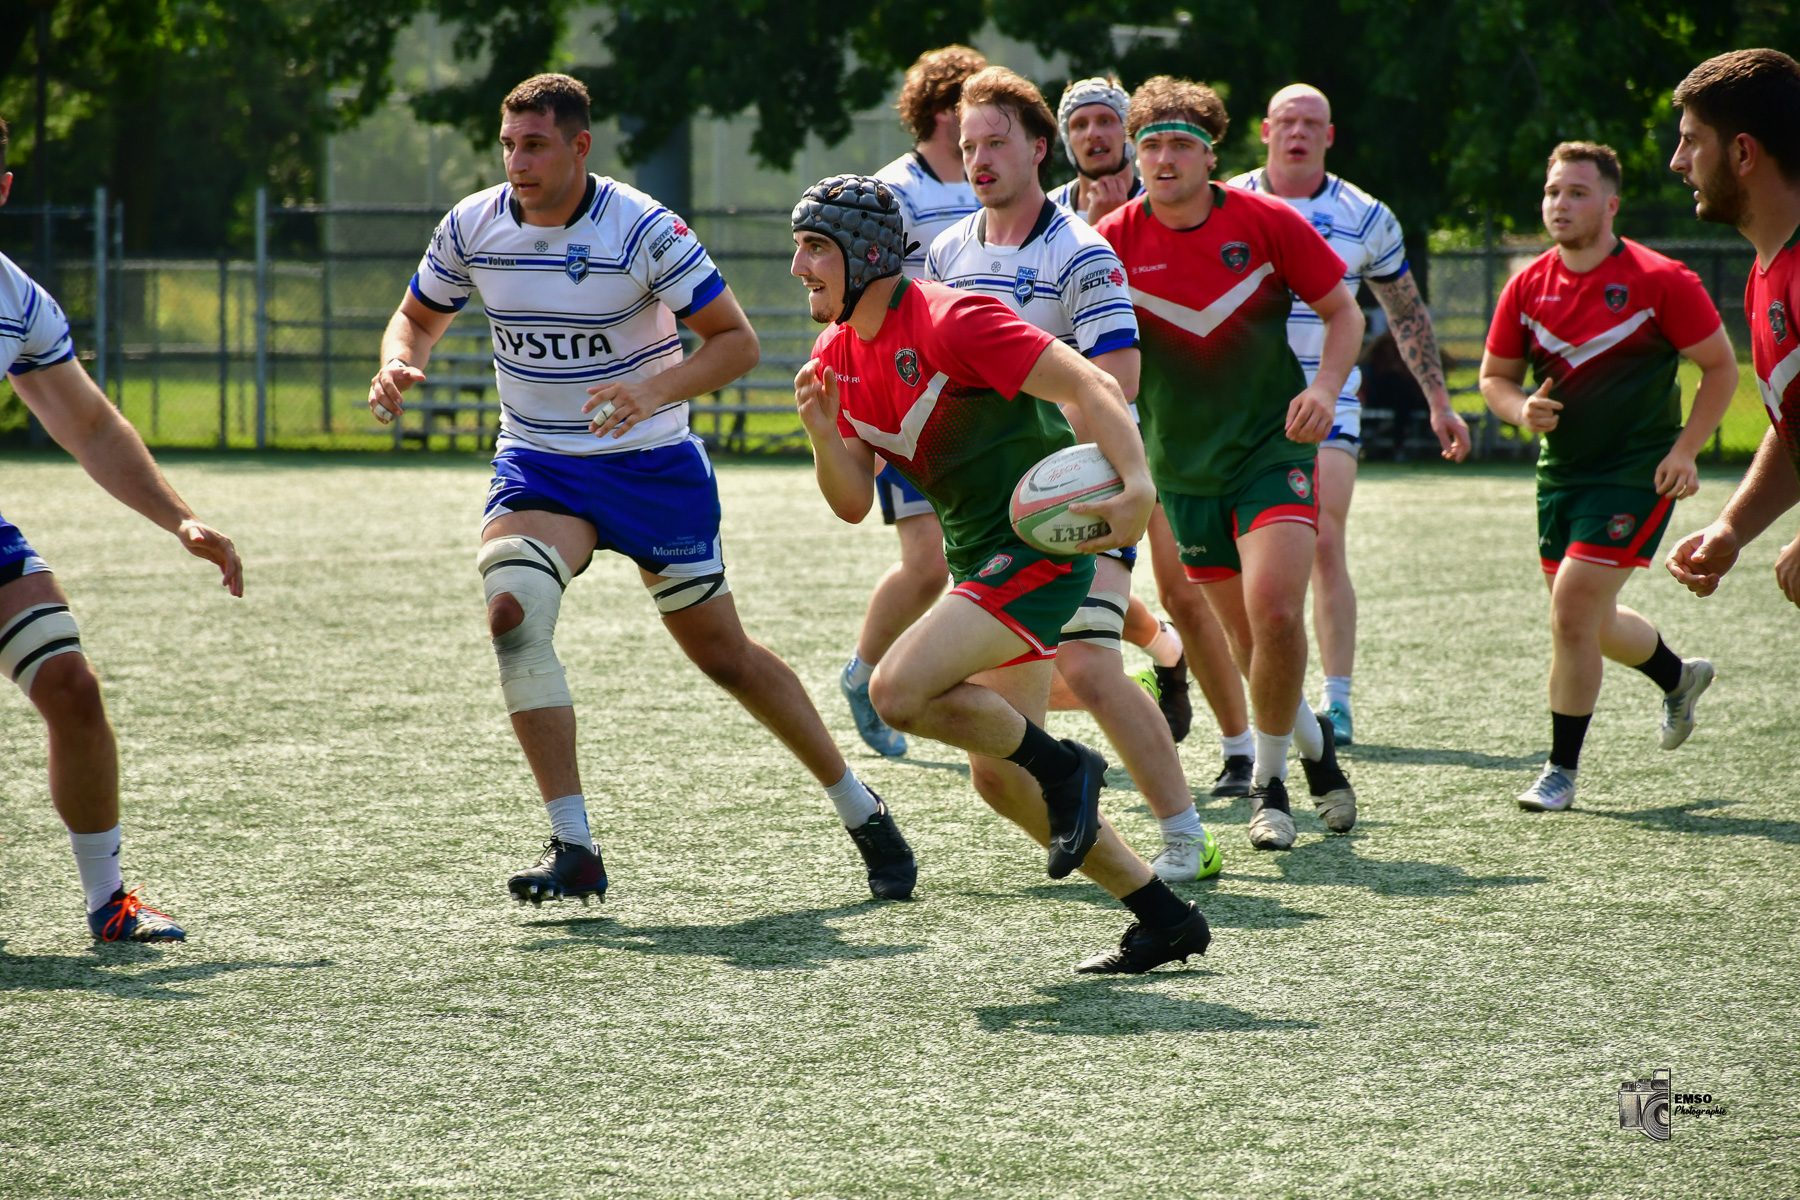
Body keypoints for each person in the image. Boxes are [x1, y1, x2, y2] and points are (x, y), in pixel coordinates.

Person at [369, 75, 916, 906]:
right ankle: (575, 845)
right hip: (540, 464)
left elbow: (736, 343)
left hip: (652, 468)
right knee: (511, 612)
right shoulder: (472, 226)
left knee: (725, 658)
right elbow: (416, 314)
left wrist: (653, 393)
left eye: (536, 145)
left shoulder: (642, 227)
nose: (517, 161)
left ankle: (860, 807)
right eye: (509, 145)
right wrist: (397, 357)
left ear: (580, 146)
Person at [792, 174, 1211, 973]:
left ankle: (1071, 768)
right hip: (979, 561)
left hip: (1038, 550)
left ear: (865, 254)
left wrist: (1137, 486)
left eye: (814, 246)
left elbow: (1089, 381)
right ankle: (1163, 917)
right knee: (999, 782)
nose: (797, 266)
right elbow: (850, 502)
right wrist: (819, 431)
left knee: (895, 691)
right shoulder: (835, 354)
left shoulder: (954, 317)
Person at [925, 66, 1220, 882]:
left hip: (1076, 490)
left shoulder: (1079, 253)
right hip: (987, 511)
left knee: (1088, 663)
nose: (979, 160)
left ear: (1037, 149)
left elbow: (1116, 380)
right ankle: (1094, 837)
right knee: (997, 733)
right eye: (968, 146)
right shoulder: (948, 251)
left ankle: (1186, 833)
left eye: (995, 143)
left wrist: (1097, 483)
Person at [1095, 77, 1361, 852]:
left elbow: (1345, 313)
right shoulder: (1110, 242)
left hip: (1273, 448)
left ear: (1213, 156)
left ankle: (1268, 786)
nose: (1164, 158)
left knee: (1278, 613)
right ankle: (1321, 761)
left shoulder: (1268, 222)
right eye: (1150, 145)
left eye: (1181, 144)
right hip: (1180, 470)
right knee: (1253, 648)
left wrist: (1323, 388)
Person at [0, 117, 244, 941]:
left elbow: (93, 430)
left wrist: (182, 520)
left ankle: (110, 902)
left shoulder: (16, 299)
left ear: (1, 189)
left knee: (72, 687)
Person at [1480, 142, 1736, 812]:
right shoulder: (1526, 286)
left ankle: (1559, 771)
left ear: (1611, 204)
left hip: (1635, 474)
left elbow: (1719, 367)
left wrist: (1685, 451)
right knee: (1588, 624)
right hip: (1560, 476)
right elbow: (1495, 379)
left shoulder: (1662, 280)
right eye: (1553, 192)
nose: (1560, 205)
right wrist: (1518, 410)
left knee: (1571, 613)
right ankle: (1678, 678)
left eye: (1577, 193)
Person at [1227, 84, 1472, 746]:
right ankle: (1275, 698)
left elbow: (1407, 312)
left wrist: (1439, 402)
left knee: (1324, 537)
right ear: (1265, 129)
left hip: (1326, 399)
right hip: (1237, 407)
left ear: (1329, 136)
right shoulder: (1225, 200)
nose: (1298, 132)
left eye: (1311, 123)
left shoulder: (1365, 216)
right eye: (1286, 121)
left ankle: (1337, 702)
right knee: (1231, 565)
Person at [1052, 76, 1256, 794]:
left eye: (1107, 121)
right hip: (1072, 450)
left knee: (1190, 592)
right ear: (1065, 139)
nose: (1095, 136)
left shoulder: (1170, 207)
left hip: (1163, 434)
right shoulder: (1051, 221)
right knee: (1064, 615)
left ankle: (1242, 747)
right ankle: (1163, 667)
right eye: (1081, 126)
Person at [838, 46, 989, 758]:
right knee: (929, 563)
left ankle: (999, 716)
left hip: (988, 402)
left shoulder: (1005, 184)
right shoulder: (892, 191)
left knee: (995, 560)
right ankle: (865, 676)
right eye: (972, 104)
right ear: (941, 112)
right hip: (910, 397)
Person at [1666, 49, 1800, 607]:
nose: (1677, 161)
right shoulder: (1764, 275)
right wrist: (1733, 526)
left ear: (1743, 151)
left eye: (1692, 140)